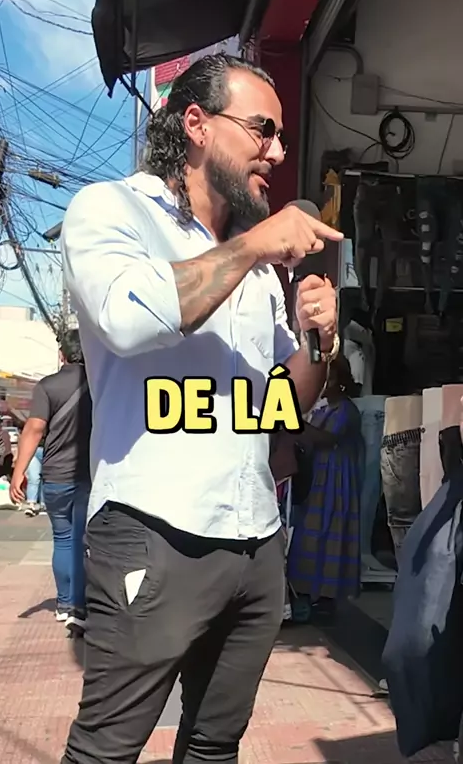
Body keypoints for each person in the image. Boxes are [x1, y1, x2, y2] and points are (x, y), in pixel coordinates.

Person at [59, 52, 341, 764]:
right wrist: (253, 246)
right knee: (106, 751)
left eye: (281, 137)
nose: (278, 152)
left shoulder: (254, 266)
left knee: (216, 746)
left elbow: (280, 408)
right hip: (154, 533)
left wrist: (320, 340)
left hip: (256, 541)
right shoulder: (112, 210)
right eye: (262, 130)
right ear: (196, 124)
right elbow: (128, 319)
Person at [10, 329, 92, 634]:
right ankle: (79, 607)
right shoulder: (100, 383)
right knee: (83, 541)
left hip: (56, 475)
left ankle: (64, 603)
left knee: (63, 538)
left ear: (62, 354)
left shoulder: (47, 386)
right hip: (90, 474)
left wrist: (19, 471)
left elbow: (33, 430)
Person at [287, 354, 362, 623]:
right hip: (316, 479)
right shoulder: (321, 410)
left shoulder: (346, 410)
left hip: (336, 482)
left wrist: (295, 422)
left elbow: (328, 438)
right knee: (309, 534)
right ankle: (306, 592)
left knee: (331, 533)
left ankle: (327, 598)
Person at [24, 442, 44, 517]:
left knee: (46, 478)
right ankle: (31, 505)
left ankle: (43, 505)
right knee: (33, 478)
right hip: (33, 450)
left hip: (50, 450)